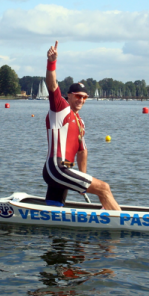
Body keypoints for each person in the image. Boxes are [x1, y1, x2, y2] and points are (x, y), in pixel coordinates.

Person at [42, 41, 121, 211]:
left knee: (54, 212)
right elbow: (51, 84)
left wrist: (83, 177)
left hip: (66, 168)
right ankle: (123, 226)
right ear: (68, 96)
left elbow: (82, 151)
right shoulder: (60, 108)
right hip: (57, 167)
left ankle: (54, 231)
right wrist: (51, 62)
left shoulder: (80, 122)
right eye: (78, 96)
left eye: (85, 97)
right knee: (104, 188)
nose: (81, 100)